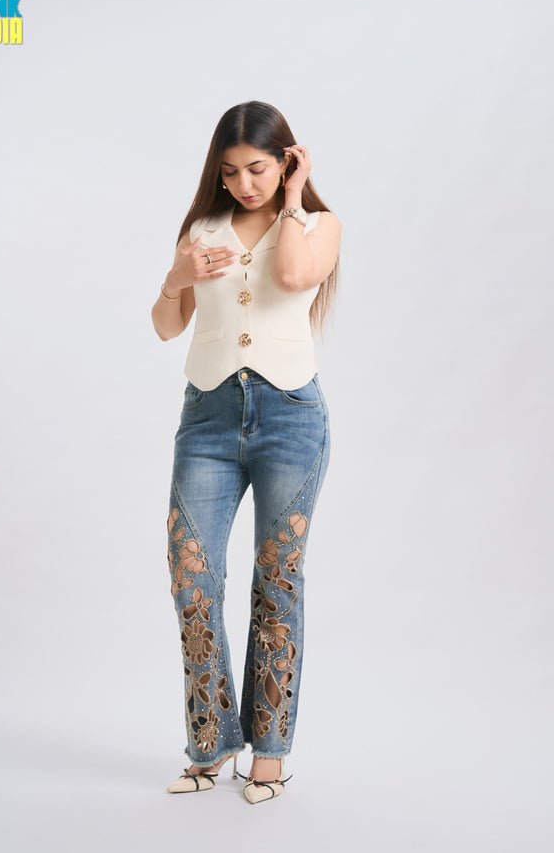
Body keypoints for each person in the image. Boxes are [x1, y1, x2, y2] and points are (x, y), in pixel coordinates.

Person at [151, 101, 340, 804]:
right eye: (230, 173)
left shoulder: (319, 225)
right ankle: (210, 742)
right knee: (191, 579)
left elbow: (292, 278)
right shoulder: (201, 230)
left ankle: (270, 751)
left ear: (286, 160)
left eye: (258, 169)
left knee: (276, 584)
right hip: (207, 419)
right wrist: (177, 275)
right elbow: (168, 325)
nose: (243, 184)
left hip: (291, 417)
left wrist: (293, 199)